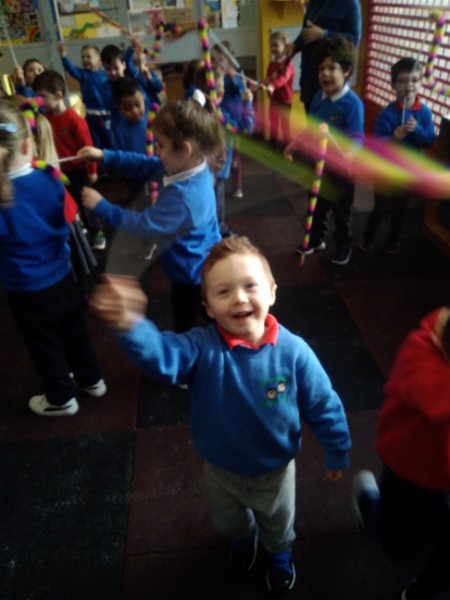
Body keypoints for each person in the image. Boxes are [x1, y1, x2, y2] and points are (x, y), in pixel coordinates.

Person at [89, 235, 351, 595]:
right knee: (229, 524)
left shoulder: (294, 353)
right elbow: (162, 357)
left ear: (272, 292)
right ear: (209, 307)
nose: (239, 298)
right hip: (220, 468)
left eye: (250, 286)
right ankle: (243, 539)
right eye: (223, 291)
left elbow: (323, 403)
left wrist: (337, 447)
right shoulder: (200, 348)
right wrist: (131, 325)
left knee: (278, 525)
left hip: (274, 471)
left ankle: (279, 555)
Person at [79, 100, 225, 333]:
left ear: (185, 149)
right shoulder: (195, 164)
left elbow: (143, 224)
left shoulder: (183, 198)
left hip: (191, 275)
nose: (156, 150)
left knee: (190, 325)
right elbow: (146, 165)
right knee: (211, 314)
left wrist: (102, 207)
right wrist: (105, 156)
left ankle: (204, 347)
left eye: (161, 145)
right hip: (200, 259)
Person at [0, 99, 105, 416]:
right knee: (75, 329)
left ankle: (61, 398)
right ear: (27, 144)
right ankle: (92, 379)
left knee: (42, 341)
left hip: (26, 289)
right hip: (63, 274)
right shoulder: (50, 178)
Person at [351, 306, 450, 600]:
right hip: (412, 471)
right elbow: (435, 398)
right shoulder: (421, 355)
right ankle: (368, 504)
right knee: (400, 547)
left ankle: (421, 593)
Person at [285, 36, 364, 266]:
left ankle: (343, 246)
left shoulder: (352, 104)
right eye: (321, 68)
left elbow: (357, 137)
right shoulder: (318, 98)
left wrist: (350, 153)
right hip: (318, 166)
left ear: (346, 70)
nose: (325, 74)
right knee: (316, 207)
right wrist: (296, 143)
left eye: (332, 68)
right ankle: (315, 239)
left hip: (341, 171)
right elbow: (311, 127)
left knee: (342, 212)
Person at [358, 58, 436, 255]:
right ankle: (368, 235)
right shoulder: (387, 114)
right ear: (393, 85)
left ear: (420, 82)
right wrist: (394, 137)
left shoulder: (424, 113)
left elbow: (429, 140)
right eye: (402, 81)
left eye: (414, 80)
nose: (409, 85)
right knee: (382, 208)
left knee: (400, 210)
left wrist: (417, 130)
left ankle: (394, 240)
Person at [32, 70, 107, 251]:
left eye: (42, 96)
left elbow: (88, 147)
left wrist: (92, 171)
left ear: (58, 96)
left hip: (79, 170)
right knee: (68, 202)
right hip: (58, 171)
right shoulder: (44, 119)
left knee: (85, 202)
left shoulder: (75, 120)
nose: (37, 100)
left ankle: (96, 231)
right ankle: (79, 227)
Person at [183, 60, 254, 237]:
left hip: (198, 172)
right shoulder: (219, 118)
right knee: (215, 208)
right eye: (222, 87)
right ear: (220, 92)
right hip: (215, 172)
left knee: (204, 206)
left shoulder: (194, 113)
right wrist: (247, 104)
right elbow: (246, 128)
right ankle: (216, 233)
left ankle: (211, 230)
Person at [289, 0, 362, 113]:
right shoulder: (313, 2)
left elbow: (354, 40)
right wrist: (293, 47)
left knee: (328, 122)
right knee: (311, 121)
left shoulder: (350, 3)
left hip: (332, 78)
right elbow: (307, 32)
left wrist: (325, 34)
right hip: (309, 77)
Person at [56, 40, 112, 150]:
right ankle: (97, 159)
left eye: (88, 57)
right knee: (95, 142)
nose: (85, 60)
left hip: (108, 115)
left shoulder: (107, 74)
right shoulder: (83, 74)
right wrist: (63, 55)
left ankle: (112, 158)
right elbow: (71, 68)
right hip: (92, 116)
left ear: (99, 60)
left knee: (110, 140)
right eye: (83, 57)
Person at [212, 41, 247, 198]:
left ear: (230, 61)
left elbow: (242, 91)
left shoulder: (234, 75)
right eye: (213, 59)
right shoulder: (213, 76)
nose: (215, 63)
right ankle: (218, 180)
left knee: (235, 155)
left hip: (233, 121)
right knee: (221, 151)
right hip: (218, 120)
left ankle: (237, 185)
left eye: (220, 59)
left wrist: (234, 79)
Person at [265, 31, 294, 149]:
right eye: (271, 45)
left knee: (285, 127)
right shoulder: (272, 64)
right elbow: (268, 79)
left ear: (285, 47)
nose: (273, 48)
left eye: (276, 45)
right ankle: (272, 149)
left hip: (285, 101)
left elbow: (283, 78)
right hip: (274, 100)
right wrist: (258, 86)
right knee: (273, 126)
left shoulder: (288, 64)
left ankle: (288, 149)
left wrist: (272, 85)